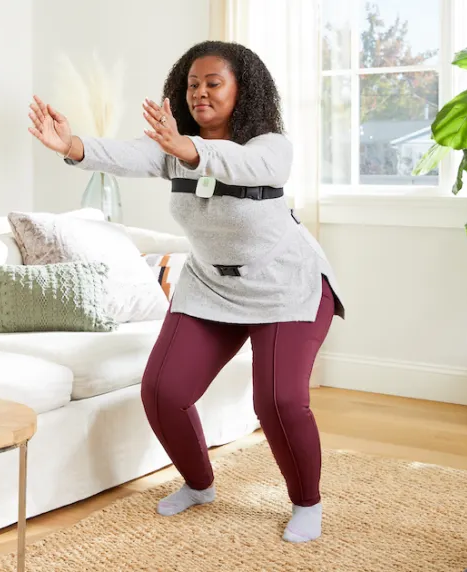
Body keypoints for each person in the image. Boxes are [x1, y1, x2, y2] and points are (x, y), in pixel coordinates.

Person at [28, 40, 346, 544]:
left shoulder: (270, 146)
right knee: (163, 391)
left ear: (243, 91)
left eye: (213, 83)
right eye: (193, 84)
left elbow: (248, 167)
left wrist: (191, 151)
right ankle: (199, 485)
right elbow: (125, 154)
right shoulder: (172, 146)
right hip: (211, 286)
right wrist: (72, 145)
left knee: (279, 401)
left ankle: (307, 502)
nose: (200, 92)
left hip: (286, 284)